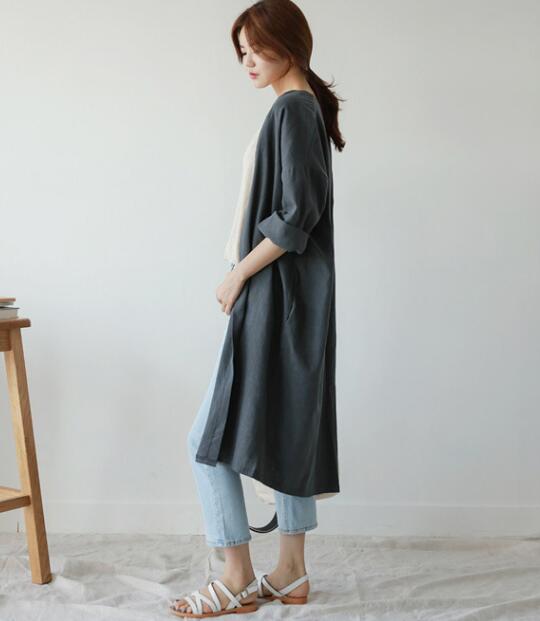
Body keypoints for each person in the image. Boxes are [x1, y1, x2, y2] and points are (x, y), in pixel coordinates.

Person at [170, 0, 345, 616]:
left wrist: (238, 273)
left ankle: (236, 573)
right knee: (288, 424)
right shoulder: (301, 107)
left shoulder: (292, 110)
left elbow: (298, 215)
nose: (246, 61)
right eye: (240, 51)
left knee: (207, 440)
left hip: (276, 295)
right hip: (293, 298)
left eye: (255, 48)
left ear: (288, 44)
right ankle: (291, 572)